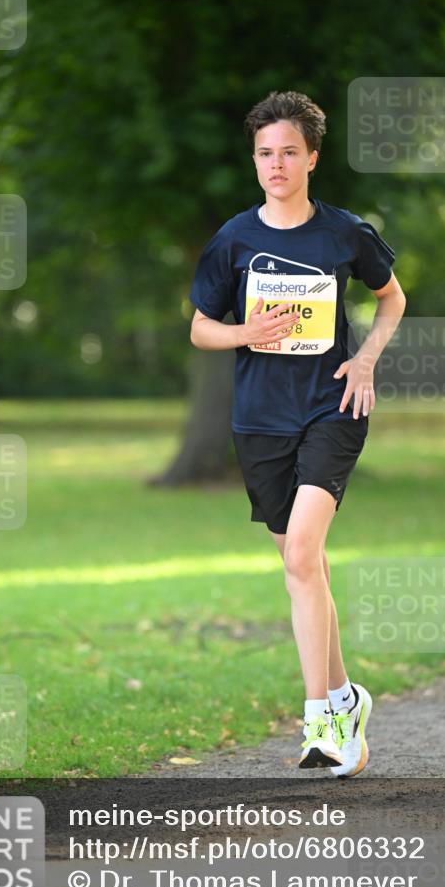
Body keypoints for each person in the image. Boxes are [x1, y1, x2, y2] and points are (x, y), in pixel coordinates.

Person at [188, 90, 406, 776]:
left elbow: (391, 296)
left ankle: (321, 727)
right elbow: (199, 328)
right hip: (258, 422)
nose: (275, 164)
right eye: (263, 153)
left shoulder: (343, 233)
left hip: (331, 409)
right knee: (302, 565)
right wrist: (245, 333)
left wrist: (365, 358)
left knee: (301, 554)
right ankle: (344, 699)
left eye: (288, 151)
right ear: (253, 161)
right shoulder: (232, 241)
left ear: (311, 157)